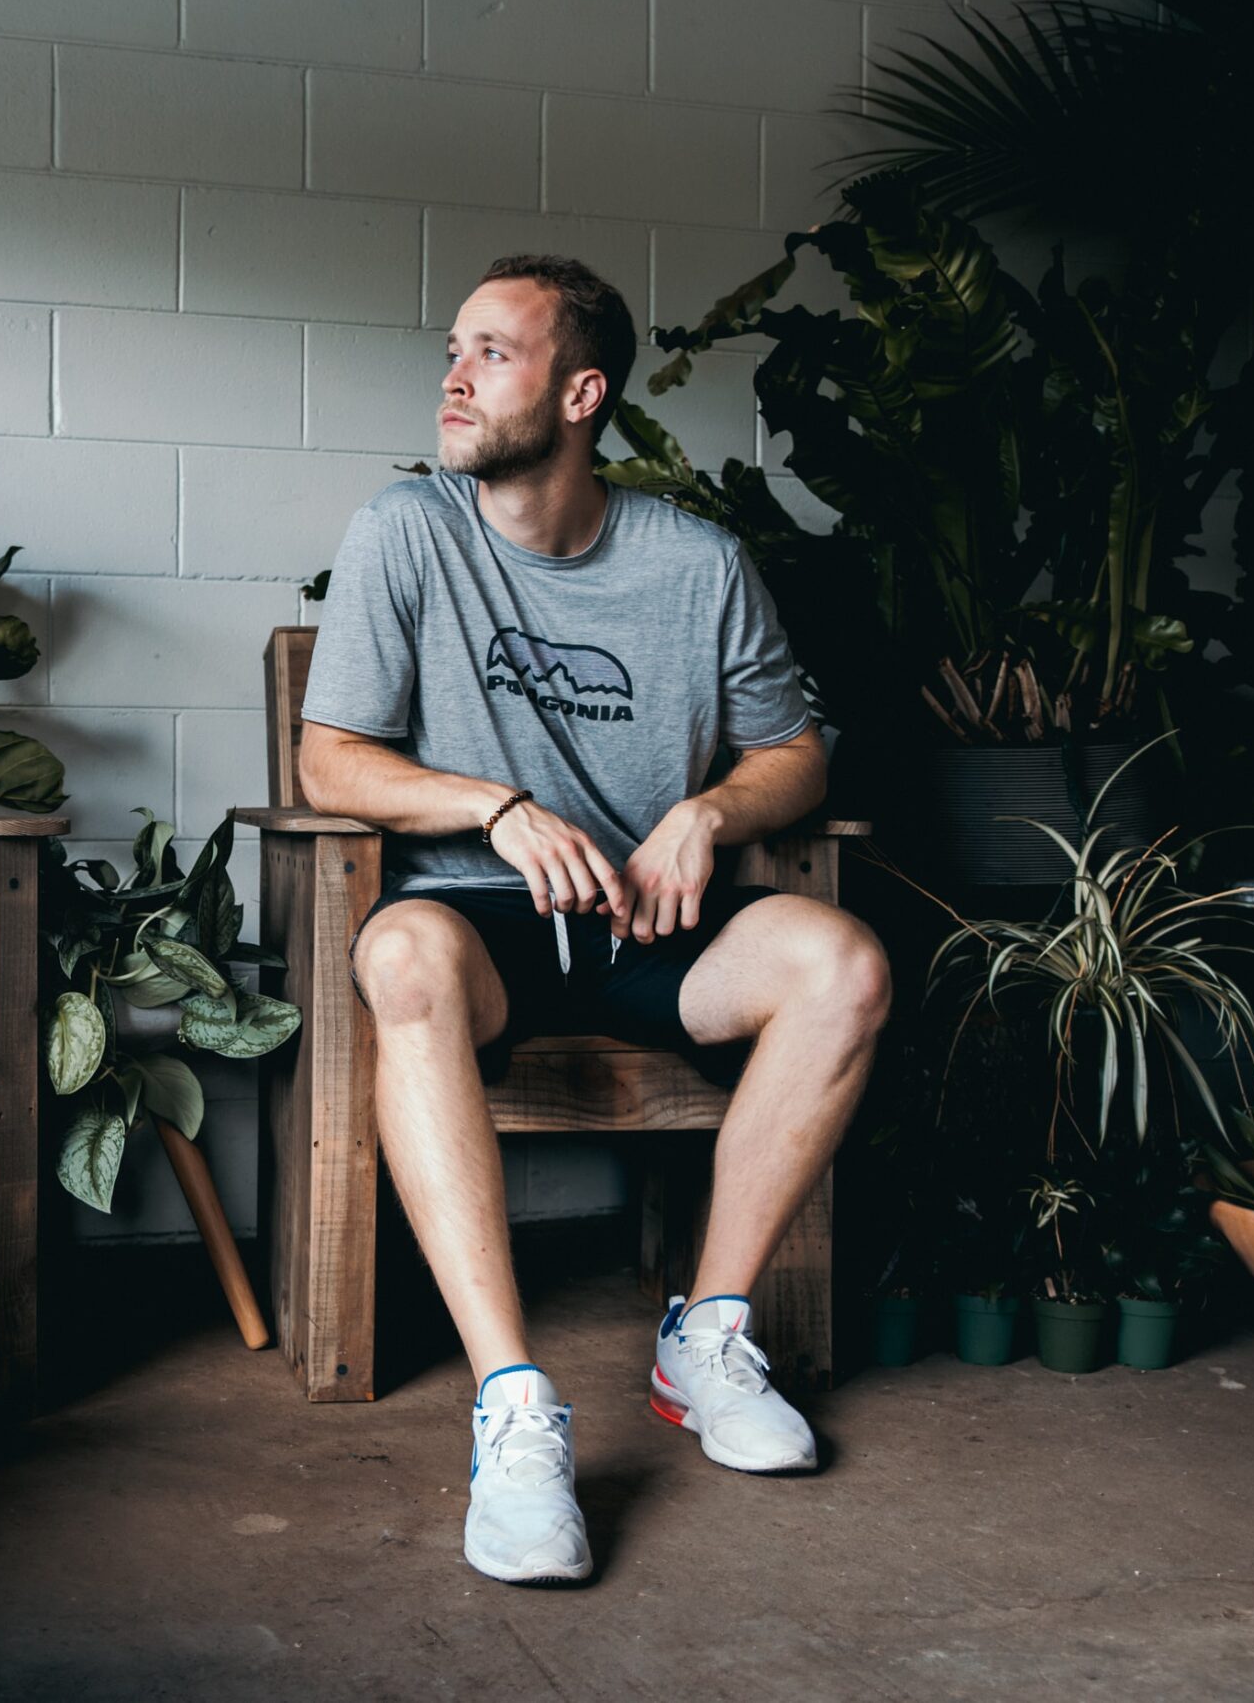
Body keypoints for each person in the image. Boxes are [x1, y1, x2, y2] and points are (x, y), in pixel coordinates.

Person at [297, 254, 892, 1586]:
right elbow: (329, 761)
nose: (454, 375)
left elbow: (796, 756)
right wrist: (494, 807)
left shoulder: (696, 562)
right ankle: (514, 1406)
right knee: (395, 951)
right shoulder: (408, 528)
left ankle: (709, 1335)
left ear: (581, 392)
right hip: (481, 926)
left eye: (492, 353)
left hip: (650, 925)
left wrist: (710, 817)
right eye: (454, 347)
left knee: (841, 965)